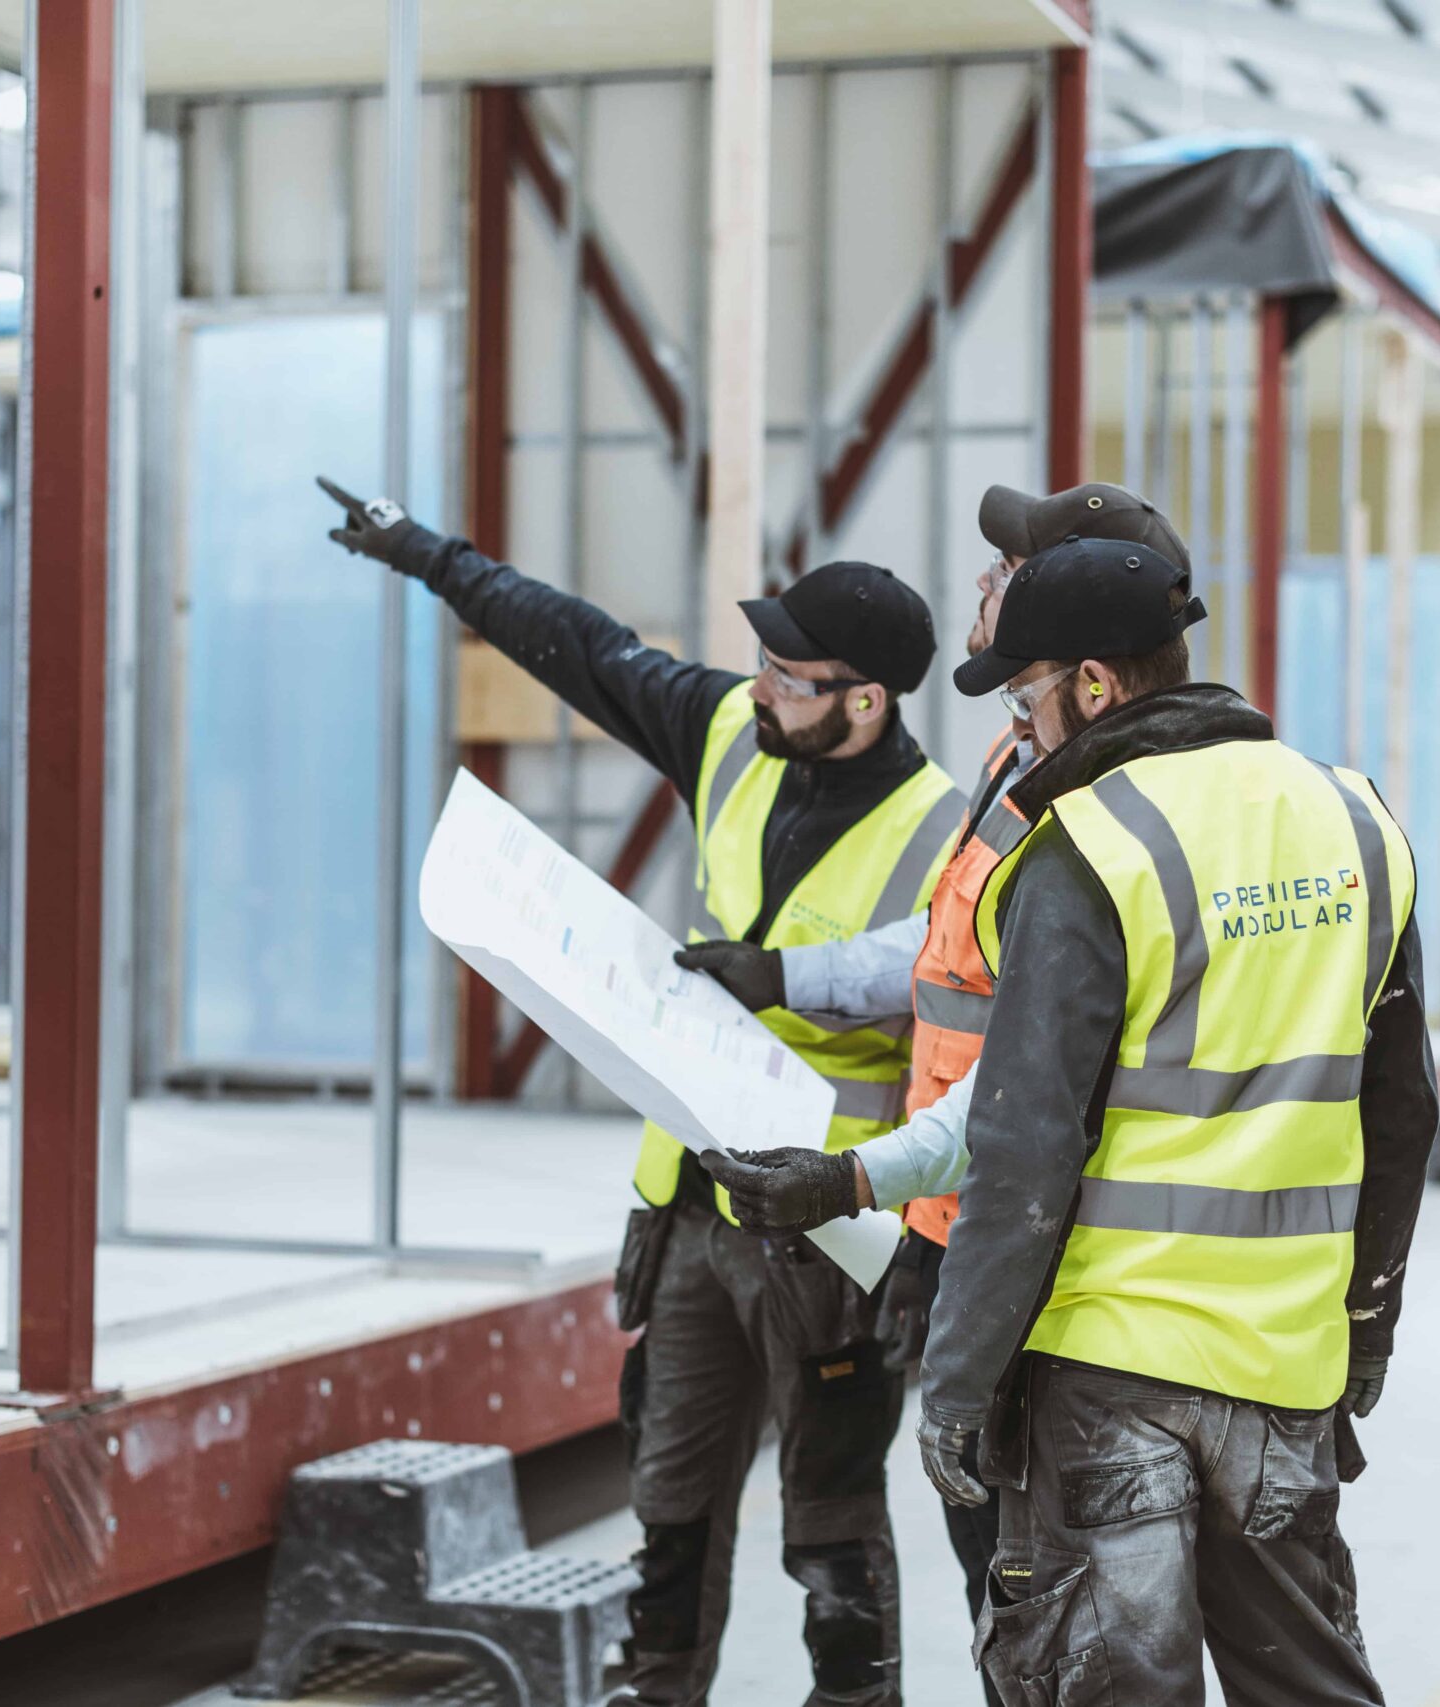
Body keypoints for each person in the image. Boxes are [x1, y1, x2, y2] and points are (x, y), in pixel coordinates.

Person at [707, 533, 1440, 1704]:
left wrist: (955, 1386)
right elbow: (1401, 1111)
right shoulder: (1354, 821)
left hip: (1109, 1367)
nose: (1022, 731)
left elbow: (1022, 1144)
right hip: (1285, 1364)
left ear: (1091, 685)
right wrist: (1366, 1322)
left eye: (1027, 695)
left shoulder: (1091, 844)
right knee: (1307, 1683)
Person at [317, 476, 963, 1707]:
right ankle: (656, 1688)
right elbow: (580, 646)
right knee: (668, 1492)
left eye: (790, 677)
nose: (759, 689)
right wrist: (425, 554)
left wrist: (922, 1234)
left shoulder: (946, 833)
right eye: (760, 665)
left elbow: (948, 1012)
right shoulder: (731, 733)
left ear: (865, 701)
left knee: (825, 1516)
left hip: (832, 1224)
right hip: (691, 1202)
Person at [685, 483, 1192, 1693]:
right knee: (1007, 1592)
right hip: (958, 1207)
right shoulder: (1022, 759)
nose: (982, 592)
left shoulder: (1090, 801)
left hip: (1022, 1233)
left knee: (1044, 1596)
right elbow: (942, 957)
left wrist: (875, 1182)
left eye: (1005, 573)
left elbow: (1036, 1067)